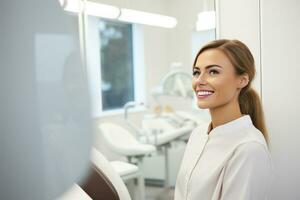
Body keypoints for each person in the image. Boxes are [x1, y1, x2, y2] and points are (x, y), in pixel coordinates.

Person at [174, 39, 273, 200]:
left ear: (242, 80)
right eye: (197, 72)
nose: (199, 80)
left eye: (213, 72)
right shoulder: (198, 135)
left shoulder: (248, 149)